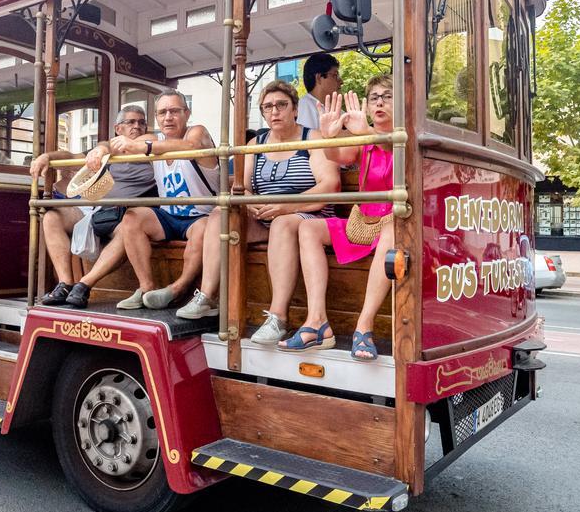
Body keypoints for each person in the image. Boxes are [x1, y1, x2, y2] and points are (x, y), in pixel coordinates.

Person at [179, 81, 339, 333]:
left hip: (306, 216)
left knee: (282, 223)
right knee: (222, 213)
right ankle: (208, 297)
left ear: (295, 109)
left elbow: (329, 186)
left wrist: (283, 206)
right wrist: (250, 204)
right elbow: (241, 187)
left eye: (281, 105)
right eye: (268, 107)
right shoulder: (256, 143)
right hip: (264, 216)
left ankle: (278, 317)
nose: (274, 111)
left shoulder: (313, 138)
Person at [65, 90, 218, 311]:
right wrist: (99, 149)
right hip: (168, 216)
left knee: (205, 227)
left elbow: (191, 147)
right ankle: (146, 289)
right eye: (162, 112)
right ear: (156, 117)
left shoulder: (197, 132)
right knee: (131, 218)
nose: (168, 117)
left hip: (199, 216)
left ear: (187, 113)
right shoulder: (154, 139)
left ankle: (178, 289)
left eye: (174, 111)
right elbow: (116, 144)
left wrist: (143, 147)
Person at [282, 75, 395, 359]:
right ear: (367, 106)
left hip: (393, 226)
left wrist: (366, 130)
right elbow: (338, 157)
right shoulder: (362, 138)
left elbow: (397, 150)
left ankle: (364, 327)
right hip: (362, 222)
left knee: (395, 229)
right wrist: (328, 136)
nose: (379, 102)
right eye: (374, 98)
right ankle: (317, 323)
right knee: (308, 230)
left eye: (387, 96)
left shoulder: (403, 135)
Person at [34, 106, 158, 308]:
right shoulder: (105, 151)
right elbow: (72, 157)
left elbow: (149, 140)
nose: (137, 126)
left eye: (141, 122)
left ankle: (84, 285)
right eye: (131, 122)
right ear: (118, 128)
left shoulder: (149, 144)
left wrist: (103, 146)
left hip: (128, 214)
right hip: (98, 211)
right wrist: (46, 157)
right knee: (51, 217)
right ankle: (65, 283)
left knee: (128, 227)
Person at [296, 53, 342, 130]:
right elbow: (307, 139)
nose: (341, 81)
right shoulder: (305, 106)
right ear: (319, 78)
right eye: (335, 75)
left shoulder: (334, 108)